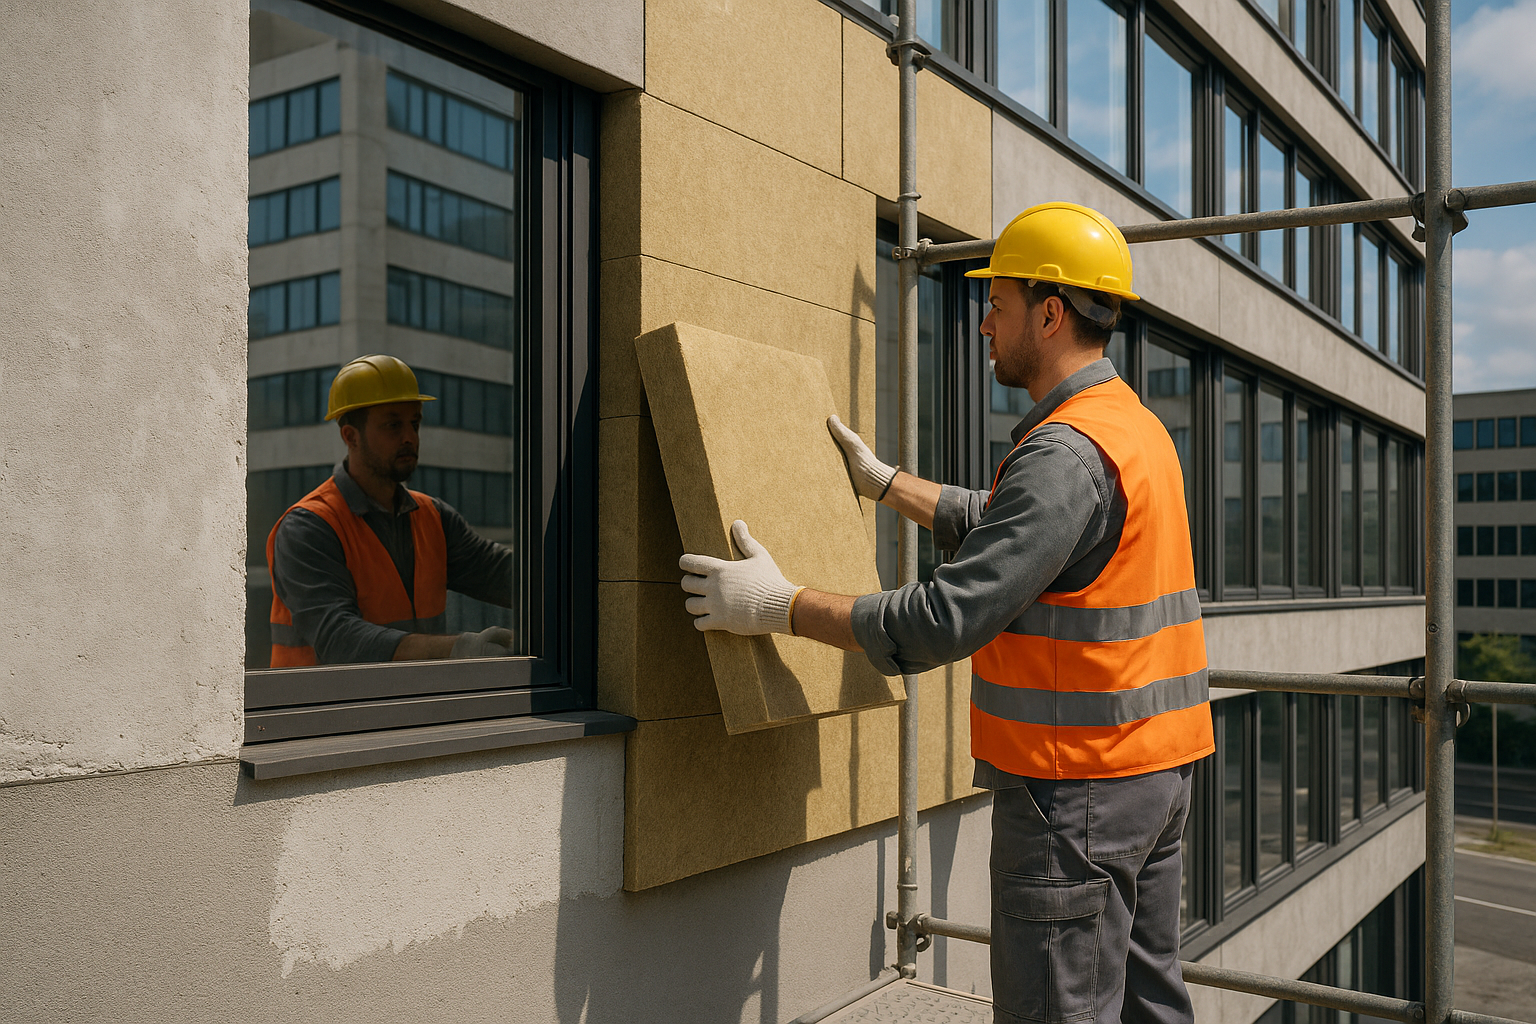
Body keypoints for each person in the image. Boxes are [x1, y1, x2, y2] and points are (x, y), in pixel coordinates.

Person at [678, 202, 1215, 1024]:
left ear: (1050, 311)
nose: (981, 325)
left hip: (1077, 795)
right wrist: (887, 482)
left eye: (996, 305)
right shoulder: (1128, 428)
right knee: (1150, 1008)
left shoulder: (1066, 453)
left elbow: (944, 618)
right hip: (1154, 777)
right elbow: (1020, 531)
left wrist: (781, 606)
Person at [266, 354, 516, 666]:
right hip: (323, 711)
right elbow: (339, 638)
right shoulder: (309, 527)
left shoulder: (433, 517)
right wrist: (460, 647)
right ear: (350, 437)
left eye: (415, 423)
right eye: (393, 425)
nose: (410, 436)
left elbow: (505, 575)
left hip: (410, 707)